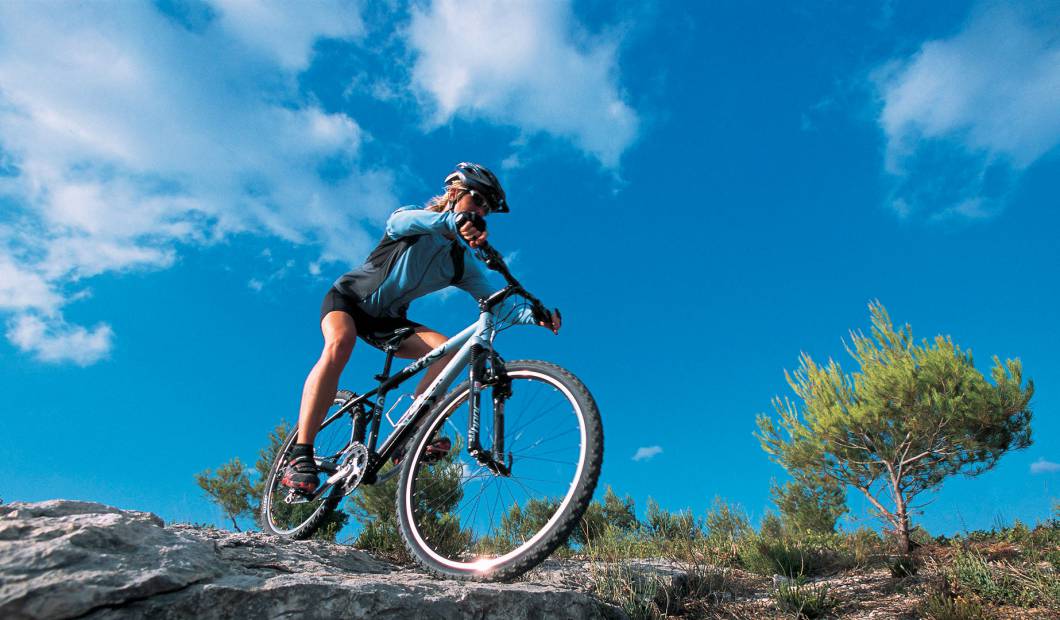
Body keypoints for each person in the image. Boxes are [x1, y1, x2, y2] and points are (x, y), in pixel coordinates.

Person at [283, 162, 562, 493]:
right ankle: (301, 453)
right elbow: (398, 221)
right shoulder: (414, 220)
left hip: (388, 322)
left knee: (447, 351)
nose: (482, 212)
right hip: (348, 300)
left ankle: (412, 430)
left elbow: (495, 301)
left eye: (487, 209)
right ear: (455, 193)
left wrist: (535, 317)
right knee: (340, 344)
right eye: (477, 201)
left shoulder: (460, 261)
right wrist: (451, 222)